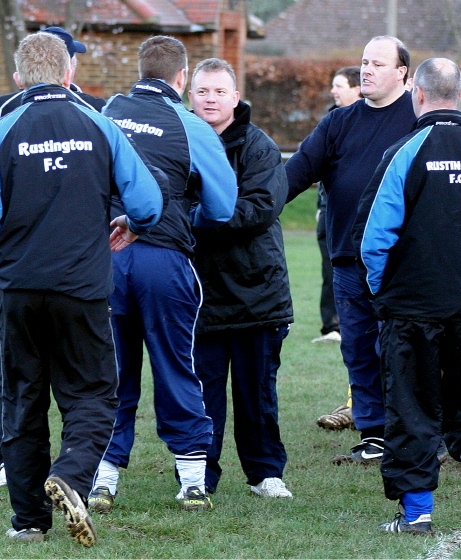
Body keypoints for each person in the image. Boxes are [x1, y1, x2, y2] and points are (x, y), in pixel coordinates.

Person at [0, 31, 165, 546]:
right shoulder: (100, 124)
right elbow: (147, 200)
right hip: (82, 285)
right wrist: (133, 223)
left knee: (21, 398)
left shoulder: (1, 130)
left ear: (18, 78)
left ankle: (28, 520)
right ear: (69, 73)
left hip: (18, 288)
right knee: (93, 393)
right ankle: (71, 476)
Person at [353, 57, 461, 535]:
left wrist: (384, 293)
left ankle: (417, 514)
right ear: (459, 95)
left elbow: (373, 238)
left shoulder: (406, 150)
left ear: (417, 95)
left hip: (412, 309)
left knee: (412, 407)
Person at [87, 36, 237, 514]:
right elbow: (223, 206)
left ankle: (101, 481)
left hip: (104, 259)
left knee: (109, 374)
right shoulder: (190, 125)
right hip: (163, 259)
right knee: (177, 367)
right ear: (182, 78)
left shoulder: (107, 109)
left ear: (139, 70)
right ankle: (193, 481)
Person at [0, 25, 104, 489]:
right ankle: (11, 458)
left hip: (74, 268)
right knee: (20, 372)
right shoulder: (2, 112)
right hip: (26, 267)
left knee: (68, 371)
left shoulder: (97, 112)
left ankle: (76, 469)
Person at [286, 36, 417, 464]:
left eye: (378, 63)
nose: (366, 70)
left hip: (403, 262)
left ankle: (418, 434)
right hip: (348, 259)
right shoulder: (339, 122)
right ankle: (374, 433)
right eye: (363, 62)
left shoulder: (418, 120)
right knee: (358, 349)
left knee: (404, 351)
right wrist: (250, 207)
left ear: (402, 72)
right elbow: (295, 173)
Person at [188, 58, 294, 498]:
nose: (210, 99)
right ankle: (198, 478)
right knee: (201, 397)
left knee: (257, 395)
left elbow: (259, 208)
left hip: (257, 291)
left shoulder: (259, 147)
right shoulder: (179, 142)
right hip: (198, 294)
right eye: (202, 92)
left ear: (235, 97)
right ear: (189, 97)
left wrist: (195, 217)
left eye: (219, 92)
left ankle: (265, 473)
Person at [314, 66, 363, 430]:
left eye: (339, 85)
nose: (333, 91)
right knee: (359, 336)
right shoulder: (334, 123)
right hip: (341, 233)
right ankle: (355, 405)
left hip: (385, 247)